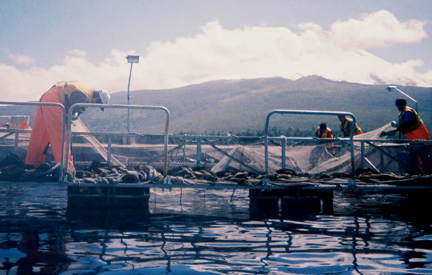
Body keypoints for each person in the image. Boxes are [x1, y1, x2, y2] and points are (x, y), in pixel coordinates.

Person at [25, 81, 110, 175]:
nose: (95, 106)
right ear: (98, 99)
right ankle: (67, 169)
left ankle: (31, 164)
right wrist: (68, 120)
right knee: (61, 136)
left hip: (46, 96)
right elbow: (70, 112)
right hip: (55, 101)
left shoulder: (86, 89)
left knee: (40, 133)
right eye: (98, 104)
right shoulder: (83, 96)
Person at [389, 98, 431, 173]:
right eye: (398, 106)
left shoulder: (408, 112)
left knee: (423, 157)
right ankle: (415, 172)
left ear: (404, 105)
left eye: (400, 106)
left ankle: (426, 173)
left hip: (420, 138)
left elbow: (406, 124)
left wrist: (396, 128)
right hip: (413, 139)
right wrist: (396, 130)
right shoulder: (404, 113)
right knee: (414, 156)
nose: (399, 108)